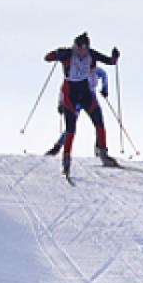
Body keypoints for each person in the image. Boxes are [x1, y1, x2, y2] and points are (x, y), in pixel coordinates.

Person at [43, 32, 120, 177]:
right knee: (71, 128)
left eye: (84, 49)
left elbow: (110, 62)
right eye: (79, 48)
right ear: (75, 46)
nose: (81, 51)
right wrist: (56, 54)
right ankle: (66, 160)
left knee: (99, 121)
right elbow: (47, 58)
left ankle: (103, 154)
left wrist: (115, 57)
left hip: (85, 93)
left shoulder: (91, 54)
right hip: (70, 94)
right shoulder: (67, 54)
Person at [45, 65, 108, 158]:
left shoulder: (97, 71)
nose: (91, 68)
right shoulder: (76, 71)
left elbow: (104, 75)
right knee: (71, 125)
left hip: (90, 99)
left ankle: (100, 147)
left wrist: (105, 89)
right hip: (76, 100)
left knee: (98, 123)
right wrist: (61, 103)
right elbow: (64, 88)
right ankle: (57, 146)